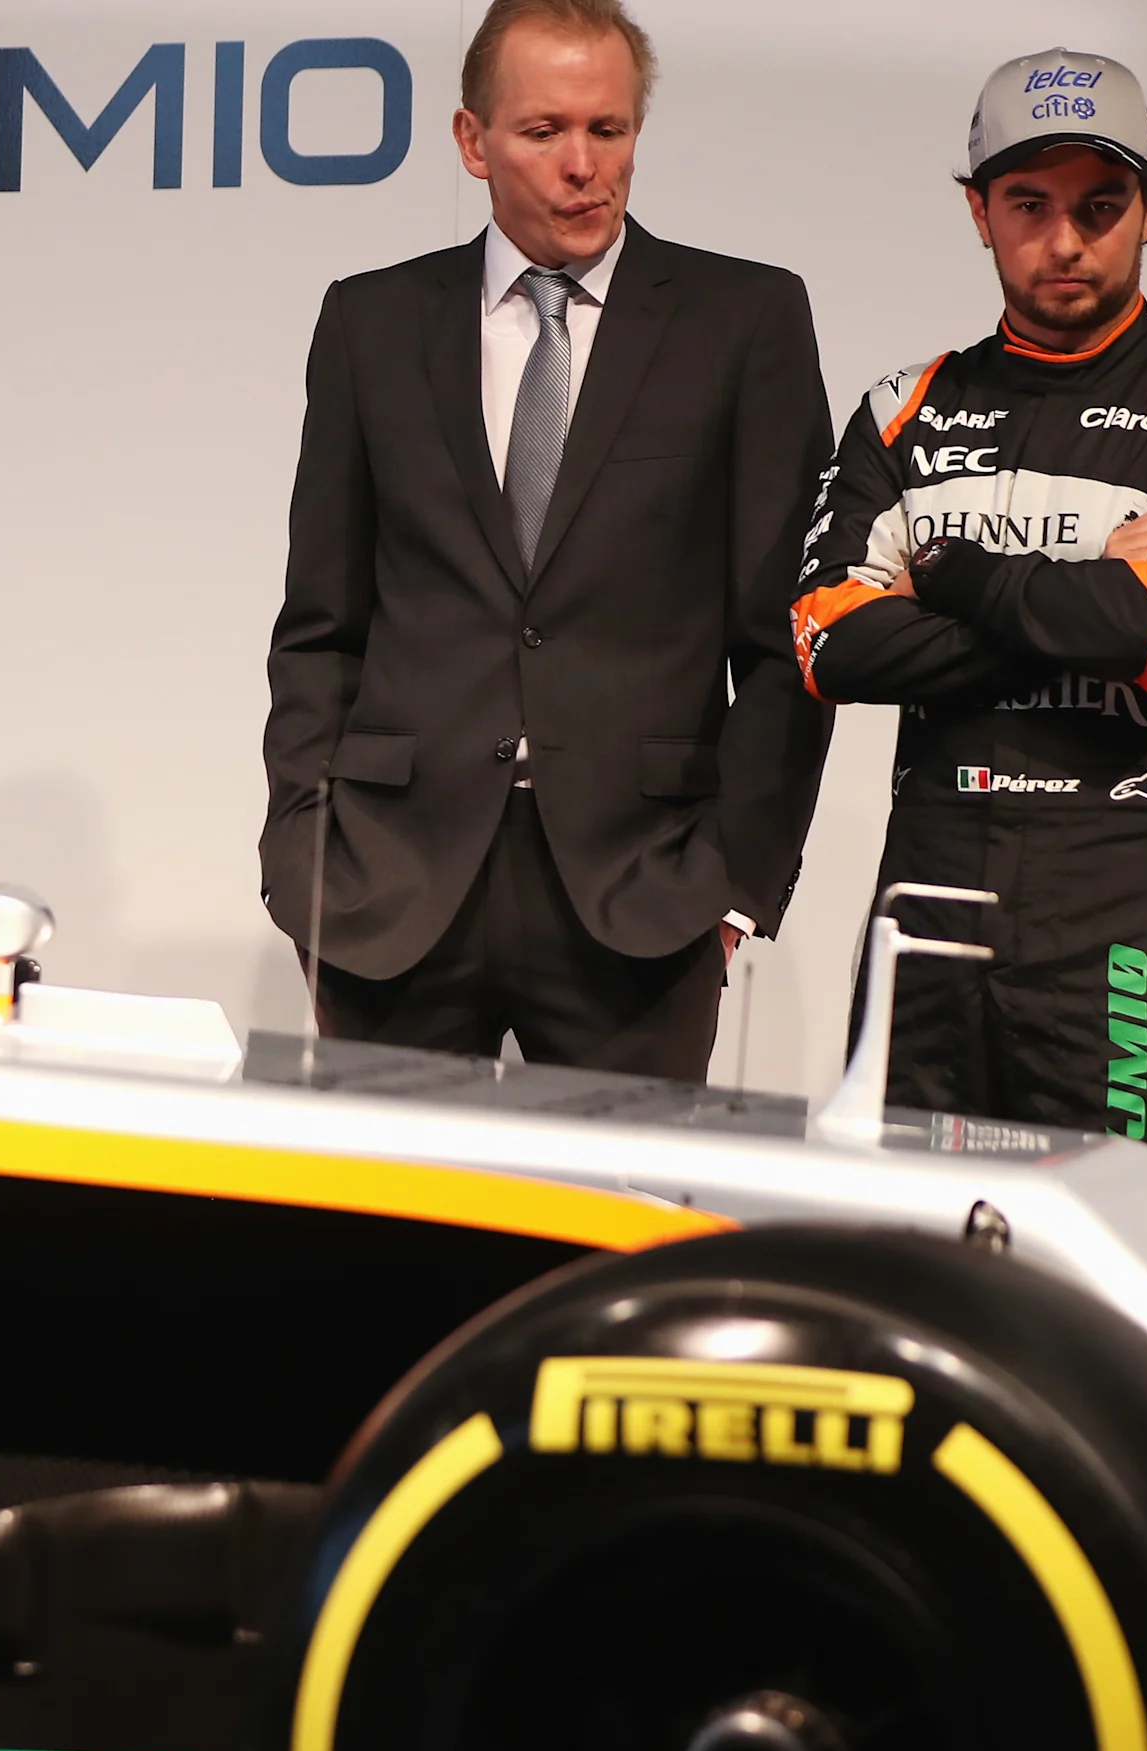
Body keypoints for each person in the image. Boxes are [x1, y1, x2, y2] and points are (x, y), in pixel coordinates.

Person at [261, 0, 833, 1078]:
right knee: (386, 1237)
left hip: (641, 895)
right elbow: (320, 626)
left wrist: (731, 888)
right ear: (472, 141)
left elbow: (781, 644)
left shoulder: (742, 321)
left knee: (622, 1238)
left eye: (607, 131)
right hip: (392, 887)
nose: (582, 165)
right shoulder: (369, 324)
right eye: (543, 131)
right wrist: (304, 862)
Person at [791, 49, 1147, 1147]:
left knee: (1121, 1266)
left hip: (1121, 909)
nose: (1063, 241)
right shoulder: (902, 408)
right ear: (976, 211)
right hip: (923, 897)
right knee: (898, 1257)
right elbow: (829, 645)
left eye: (1100, 205)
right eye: (1027, 204)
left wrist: (957, 574)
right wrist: (1085, 610)